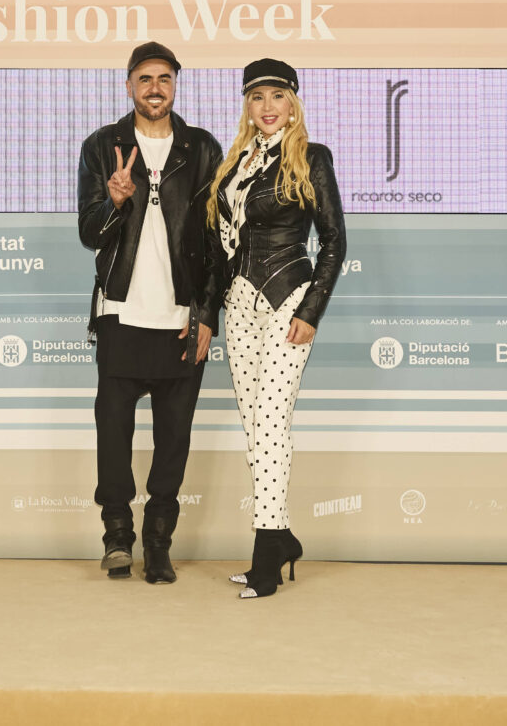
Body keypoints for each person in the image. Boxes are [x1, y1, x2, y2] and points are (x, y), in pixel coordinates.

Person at [77, 42, 224, 583]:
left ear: (175, 85)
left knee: (174, 440)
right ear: (129, 86)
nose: (155, 88)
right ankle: (117, 538)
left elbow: (218, 241)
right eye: (145, 79)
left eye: (164, 78)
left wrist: (206, 313)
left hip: (181, 319)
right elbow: (89, 233)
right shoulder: (103, 146)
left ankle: (159, 544)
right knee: (113, 436)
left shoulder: (201, 148)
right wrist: (115, 202)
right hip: (121, 313)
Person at [207, 58, 345, 599]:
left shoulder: (311, 157)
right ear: (247, 105)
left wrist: (310, 311)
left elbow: (333, 240)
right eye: (257, 97)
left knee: (270, 422)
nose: (267, 107)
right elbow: (223, 245)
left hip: (288, 299)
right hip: (239, 305)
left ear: (293, 103)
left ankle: (267, 550)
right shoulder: (236, 162)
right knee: (255, 426)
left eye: (277, 96)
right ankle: (282, 536)